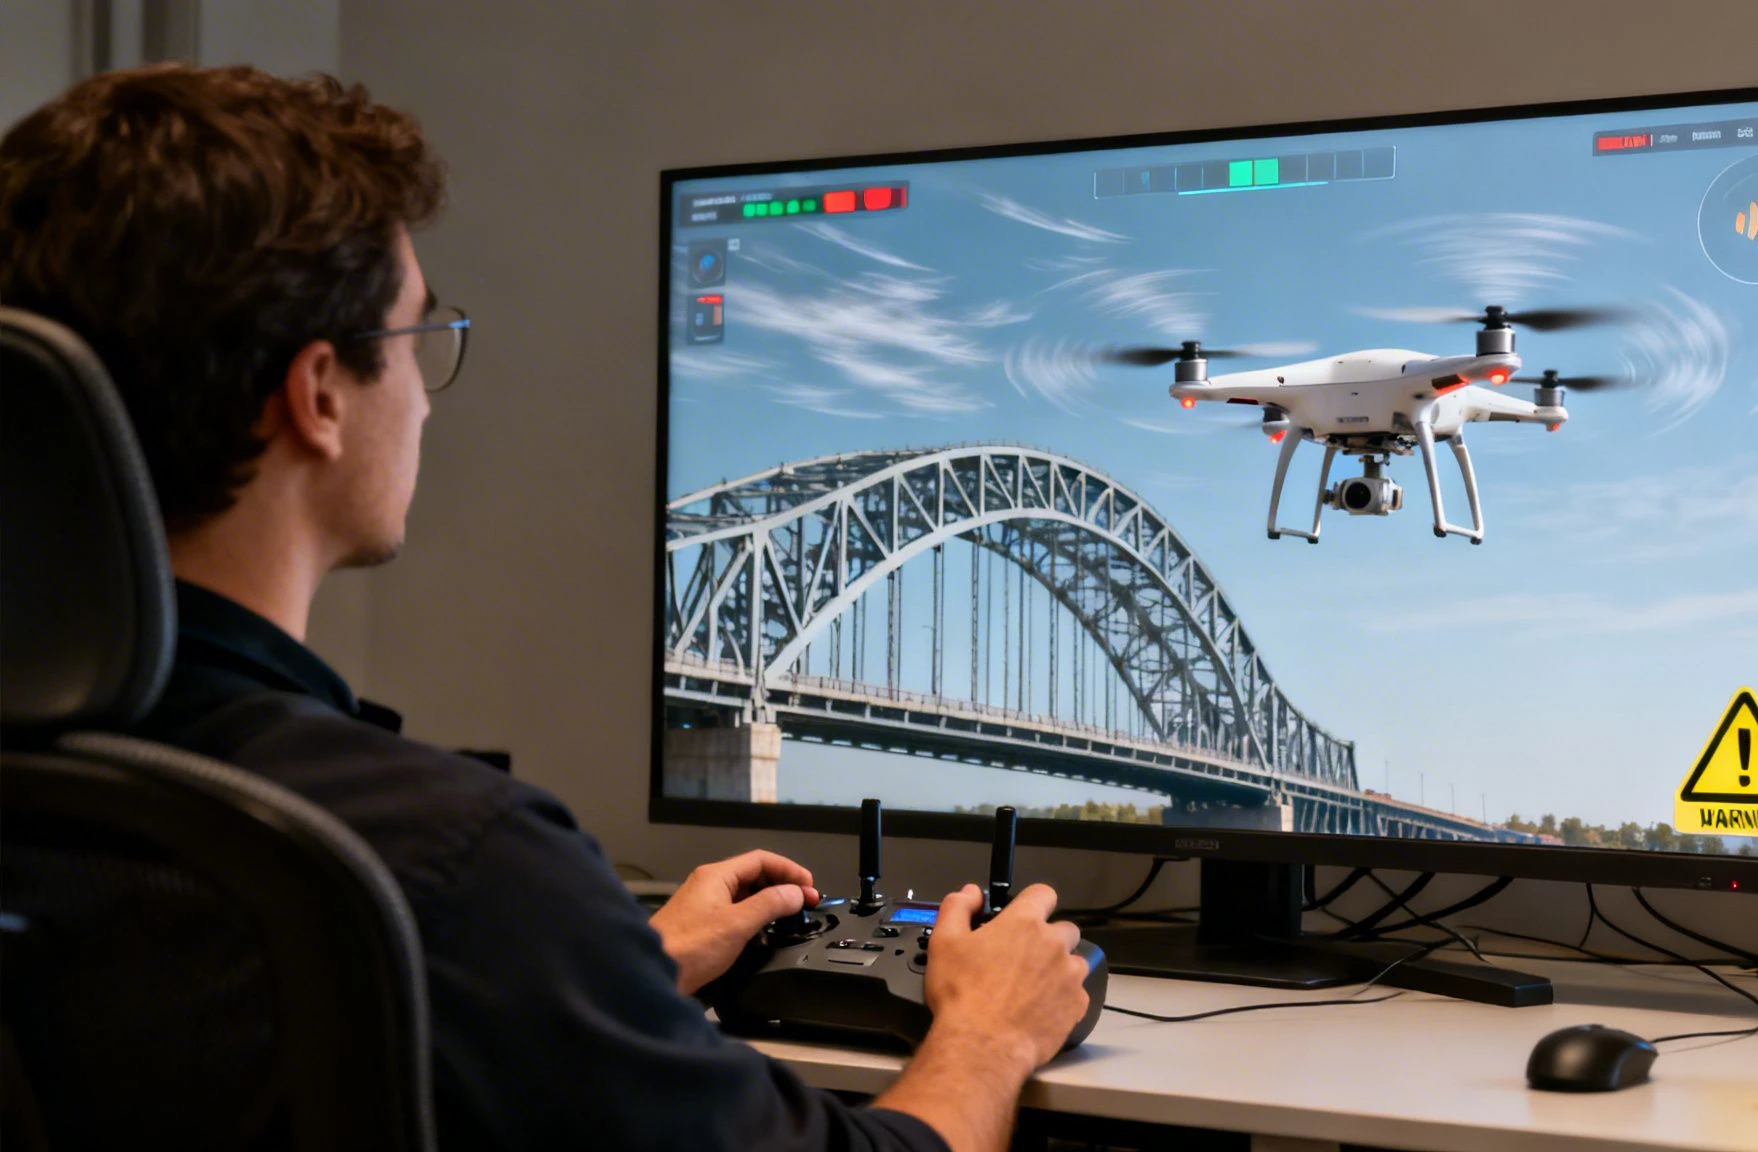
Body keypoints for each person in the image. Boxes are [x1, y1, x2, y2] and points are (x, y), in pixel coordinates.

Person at [0, 63, 1090, 1151]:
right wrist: (988, 1031)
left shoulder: (102, 802)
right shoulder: (454, 861)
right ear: (320, 393)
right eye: (412, 342)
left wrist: (600, 978)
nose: (424, 399)